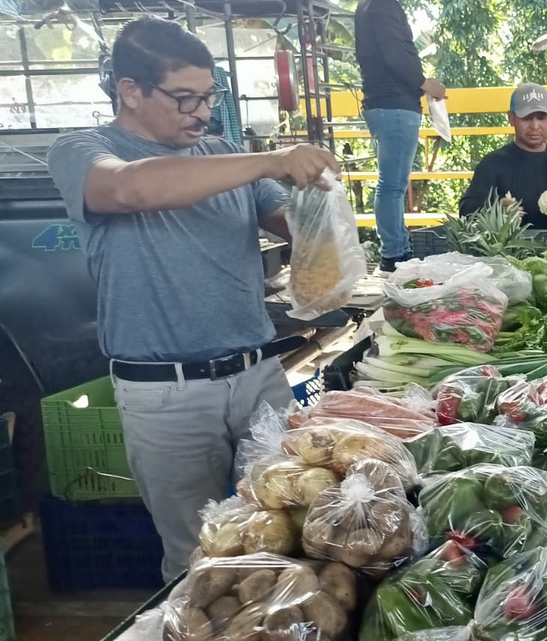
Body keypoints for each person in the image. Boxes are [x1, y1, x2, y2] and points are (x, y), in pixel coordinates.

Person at [46, 16, 339, 581]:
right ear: (130, 90)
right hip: (166, 396)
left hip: (259, 377)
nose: (202, 113)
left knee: (296, 532)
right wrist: (272, 159)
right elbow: (128, 188)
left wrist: (321, 204)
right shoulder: (85, 149)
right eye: (184, 98)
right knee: (200, 559)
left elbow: (294, 228)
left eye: (207, 96)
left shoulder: (223, 153)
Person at [355, 0, 446, 273]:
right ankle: (395, 256)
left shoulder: (367, 6)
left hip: (383, 104)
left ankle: (396, 251)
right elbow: (394, 54)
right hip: (394, 105)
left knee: (391, 184)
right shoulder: (383, 6)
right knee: (392, 186)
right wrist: (424, 83)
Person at [459, 82, 547, 229]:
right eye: (526, 118)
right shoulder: (493, 163)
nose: (534, 125)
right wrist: (494, 211)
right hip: (507, 250)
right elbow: (466, 211)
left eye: (541, 117)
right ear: (511, 118)